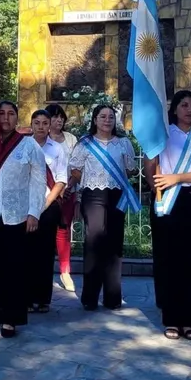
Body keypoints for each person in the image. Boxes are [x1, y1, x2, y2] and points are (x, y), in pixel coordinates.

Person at [0, 101, 45, 337]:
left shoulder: (29, 145)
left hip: (17, 215)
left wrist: (35, 212)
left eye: (11, 113)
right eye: (1, 113)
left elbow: (38, 181)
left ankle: (10, 319)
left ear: (17, 118)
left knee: (13, 269)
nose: (5, 117)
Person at [150, 91, 191, 340]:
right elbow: (152, 163)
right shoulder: (163, 134)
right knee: (169, 261)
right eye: (184, 105)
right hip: (168, 201)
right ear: (174, 109)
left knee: (189, 263)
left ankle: (188, 320)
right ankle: (171, 319)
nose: (189, 109)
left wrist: (177, 177)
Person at [68, 104, 136, 312]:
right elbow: (75, 170)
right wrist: (92, 179)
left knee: (115, 245)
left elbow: (131, 170)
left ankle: (112, 297)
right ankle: (90, 297)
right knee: (94, 243)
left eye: (111, 117)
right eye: (103, 116)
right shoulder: (85, 144)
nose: (107, 120)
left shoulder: (123, 143)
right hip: (93, 195)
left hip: (117, 195)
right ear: (95, 119)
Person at [25, 109, 68, 313]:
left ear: (49, 125)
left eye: (44, 123)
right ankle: (26, 296)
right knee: (27, 251)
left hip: (48, 205)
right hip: (26, 205)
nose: (41, 126)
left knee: (45, 252)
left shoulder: (57, 149)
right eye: (37, 123)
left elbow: (61, 179)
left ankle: (43, 298)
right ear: (31, 125)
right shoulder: (23, 145)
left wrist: (45, 203)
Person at [46, 103, 78, 292]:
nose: (59, 120)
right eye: (55, 117)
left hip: (67, 192)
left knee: (63, 232)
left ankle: (65, 271)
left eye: (61, 117)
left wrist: (69, 186)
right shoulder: (40, 139)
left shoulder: (71, 139)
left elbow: (77, 167)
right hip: (45, 195)